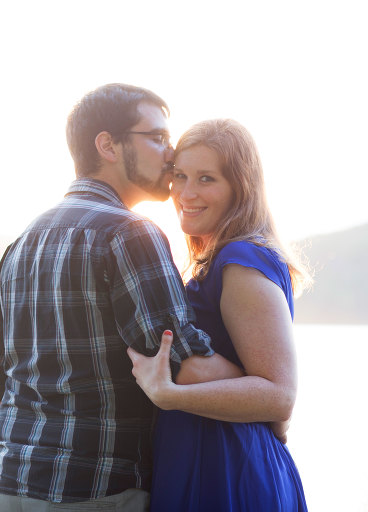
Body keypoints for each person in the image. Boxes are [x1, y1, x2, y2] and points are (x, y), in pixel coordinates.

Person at [0, 84, 242, 512]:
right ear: (107, 145)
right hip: (96, 492)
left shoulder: (22, 242)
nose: (169, 153)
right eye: (156, 137)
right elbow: (183, 364)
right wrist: (262, 388)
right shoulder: (130, 233)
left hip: (9, 487)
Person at [127, 119, 309, 511]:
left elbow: (279, 395)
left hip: (228, 469)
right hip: (205, 456)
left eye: (206, 179)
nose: (187, 193)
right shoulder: (216, 261)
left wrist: (169, 396)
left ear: (239, 189)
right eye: (180, 176)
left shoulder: (240, 261)